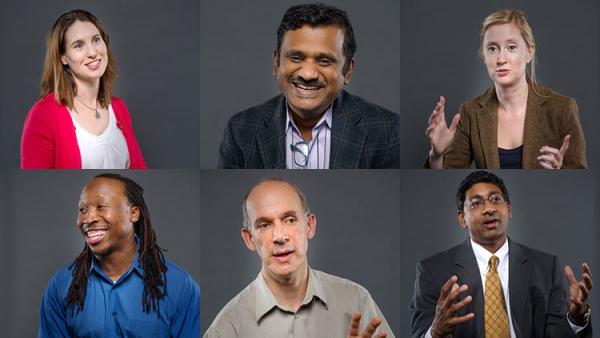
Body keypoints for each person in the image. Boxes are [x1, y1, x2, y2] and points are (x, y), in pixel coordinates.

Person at [410, 170, 593, 337]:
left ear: (509, 209)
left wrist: (576, 319)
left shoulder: (545, 267)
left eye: (495, 199)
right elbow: (420, 333)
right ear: (462, 218)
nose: (489, 209)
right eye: (476, 203)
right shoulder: (432, 271)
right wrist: (434, 333)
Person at [204, 178, 393, 337]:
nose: (279, 236)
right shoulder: (226, 328)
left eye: (290, 220)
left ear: (309, 226)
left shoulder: (356, 300)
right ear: (249, 238)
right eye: (264, 225)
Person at [218, 3, 399, 169]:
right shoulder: (240, 130)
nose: (308, 74)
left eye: (325, 61)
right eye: (296, 58)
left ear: (348, 71)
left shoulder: (386, 131)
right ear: (276, 63)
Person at [38, 174, 199, 337]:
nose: (89, 218)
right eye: (83, 209)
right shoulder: (62, 285)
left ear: (133, 213)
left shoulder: (179, 286)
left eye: (101, 206)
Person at [425, 9, 587, 169]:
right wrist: (437, 156)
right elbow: (450, 172)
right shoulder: (470, 111)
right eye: (492, 49)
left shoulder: (562, 108)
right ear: (483, 56)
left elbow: (579, 176)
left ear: (529, 52)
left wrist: (558, 174)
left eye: (511, 47)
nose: (501, 59)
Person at [21, 9, 147, 169]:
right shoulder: (43, 114)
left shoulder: (119, 108)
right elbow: (35, 182)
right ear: (63, 57)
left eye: (96, 40)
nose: (93, 52)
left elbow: (139, 167)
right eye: (78, 45)